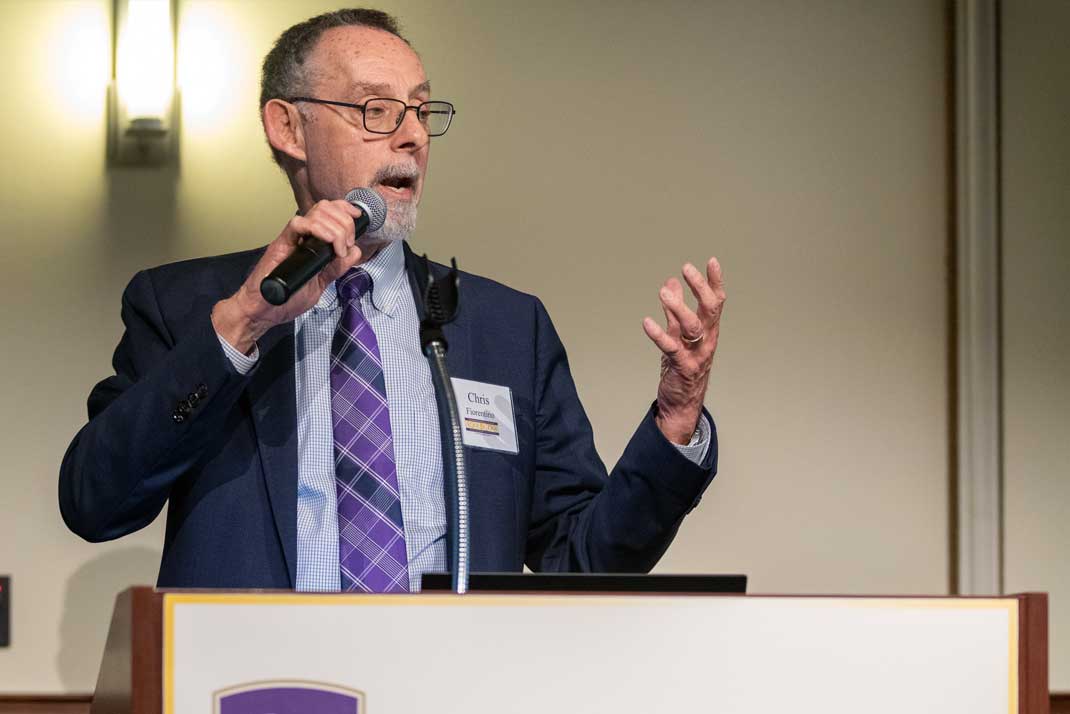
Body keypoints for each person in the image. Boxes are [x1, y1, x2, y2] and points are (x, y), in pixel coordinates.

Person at [58, 8, 727, 592]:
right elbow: (95, 502)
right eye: (376, 111)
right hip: (259, 688)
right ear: (287, 127)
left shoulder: (503, 329)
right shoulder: (186, 306)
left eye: (421, 110)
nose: (410, 136)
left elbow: (582, 562)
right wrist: (244, 323)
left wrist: (675, 422)